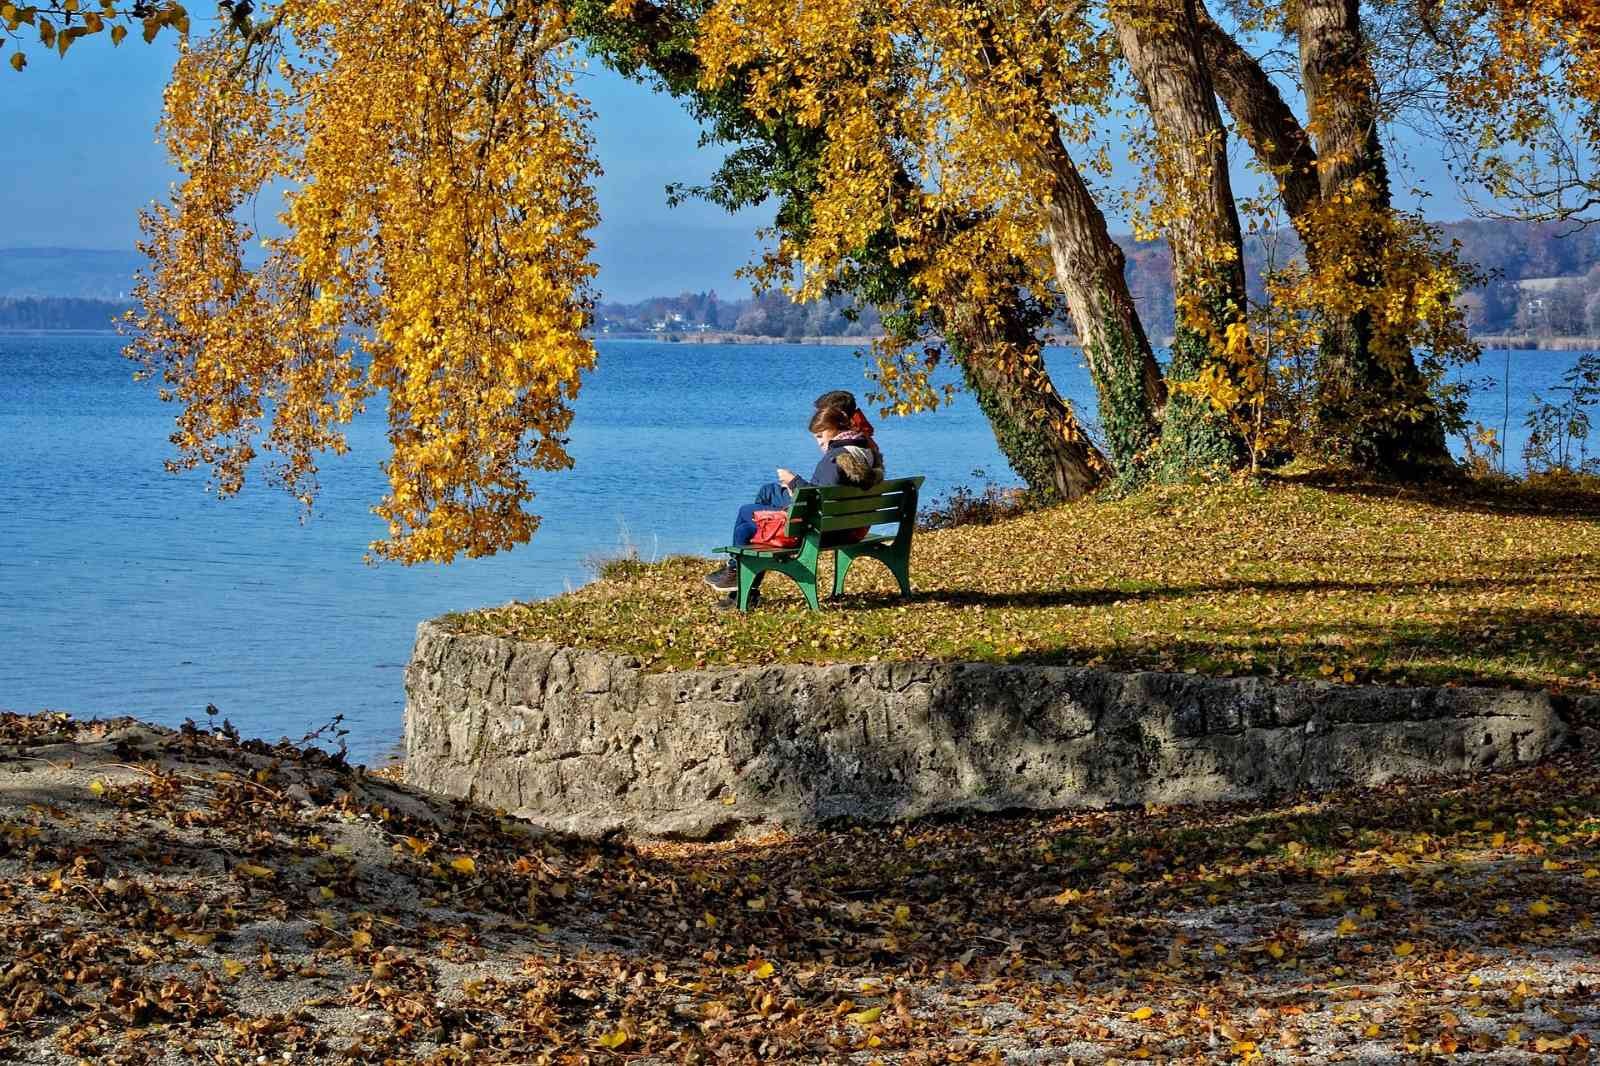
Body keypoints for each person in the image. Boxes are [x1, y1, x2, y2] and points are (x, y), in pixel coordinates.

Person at [705, 402, 885, 601]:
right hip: (850, 526)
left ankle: (739, 577)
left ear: (834, 429)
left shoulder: (835, 459)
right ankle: (743, 581)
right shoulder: (866, 450)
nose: (818, 443)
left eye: (820, 435)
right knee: (769, 492)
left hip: (821, 531)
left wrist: (793, 481)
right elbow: (827, 496)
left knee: (746, 514)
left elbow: (819, 502)